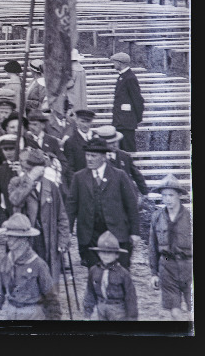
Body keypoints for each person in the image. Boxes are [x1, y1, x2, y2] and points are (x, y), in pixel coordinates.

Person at [67, 137, 140, 269]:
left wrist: (135, 232)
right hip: (90, 235)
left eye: (93, 156)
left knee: (119, 274)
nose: (89, 159)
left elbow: (131, 205)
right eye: (87, 155)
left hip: (117, 233)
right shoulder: (79, 177)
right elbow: (71, 206)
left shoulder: (119, 175)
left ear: (103, 157)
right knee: (95, 274)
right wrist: (67, 231)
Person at [7, 149, 71, 284]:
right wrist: (29, 180)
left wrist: (63, 239)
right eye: (36, 170)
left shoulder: (51, 186)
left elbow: (62, 216)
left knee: (48, 278)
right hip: (27, 238)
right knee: (28, 277)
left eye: (42, 170)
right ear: (27, 169)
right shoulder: (16, 183)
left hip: (48, 239)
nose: (41, 173)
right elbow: (15, 200)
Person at [0, 213, 62, 321]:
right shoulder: (5, 262)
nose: (8, 240)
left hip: (33, 315)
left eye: (13, 237)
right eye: (8, 236)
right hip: (11, 313)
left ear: (24, 239)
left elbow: (51, 298)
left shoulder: (38, 264)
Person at [148, 174, 192, 321]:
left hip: (189, 267)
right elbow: (153, 246)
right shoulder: (156, 217)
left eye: (171, 195)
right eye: (164, 195)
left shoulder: (190, 216)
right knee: (174, 310)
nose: (167, 199)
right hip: (166, 267)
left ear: (179, 195)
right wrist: (154, 273)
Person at [82, 231, 138, 321]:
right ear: (99, 253)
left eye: (110, 252)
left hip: (118, 310)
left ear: (117, 255)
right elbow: (90, 292)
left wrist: (132, 318)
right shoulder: (94, 270)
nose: (106, 255)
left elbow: (130, 297)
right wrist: (87, 313)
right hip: (101, 308)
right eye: (103, 252)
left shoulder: (123, 273)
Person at [109, 52, 144, 153]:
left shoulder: (130, 78)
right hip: (120, 122)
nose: (113, 64)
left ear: (120, 63)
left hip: (127, 123)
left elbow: (138, 100)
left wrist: (135, 119)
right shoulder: (122, 77)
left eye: (115, 62)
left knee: (128, 150)